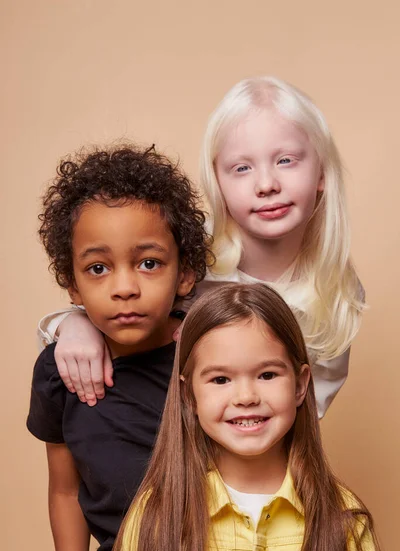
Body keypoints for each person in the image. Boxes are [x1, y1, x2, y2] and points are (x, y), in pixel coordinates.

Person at [36, 76, 365, 417]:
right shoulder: (189, 252)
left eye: (285, 161)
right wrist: (74, 325)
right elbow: (109, 295)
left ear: (322, 172)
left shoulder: (338, 292)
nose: (267, 184)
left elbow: (310, 414)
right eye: (242, 168)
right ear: (217, 182)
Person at [109, 283, 389, 551]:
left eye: (267, 375)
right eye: (220, 379)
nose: (246, 397)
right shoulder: (155, 517)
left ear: (300, 385)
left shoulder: (343, 518)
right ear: (189, 395)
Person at [27, 144, 212, 551]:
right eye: (98, 268)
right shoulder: (59, 372)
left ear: (186, 273)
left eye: (149, 263)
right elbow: (65, 492)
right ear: (71, 284)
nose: (125, 288)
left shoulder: (209, 353)